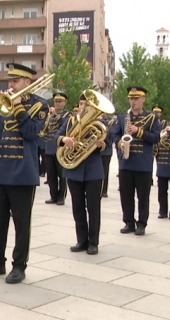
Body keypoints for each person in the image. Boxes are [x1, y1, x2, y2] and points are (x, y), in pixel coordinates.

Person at [0, 63, 48, 284]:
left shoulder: (40, 106)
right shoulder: (1, 104)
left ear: (27, 82)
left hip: (23, 173)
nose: (10, 85)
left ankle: (19, 265)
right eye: (10, 81)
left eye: (15, 81)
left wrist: (18, 107)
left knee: (21, 222)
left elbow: (30, 132)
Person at [55, 93, 105, 255]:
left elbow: (108, 144)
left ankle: (93, 242)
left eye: (87, 105)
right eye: (82, 104)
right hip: (74, 169)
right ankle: (81, 240)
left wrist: (101, 144)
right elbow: (57, 136)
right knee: (77, 207)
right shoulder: (70, 121)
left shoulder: (98, 124)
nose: (84, 107)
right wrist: (64, 140)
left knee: (93, 207)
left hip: (93, 170)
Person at [113, 86, 161, 236]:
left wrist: (139, 131)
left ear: (143, 99)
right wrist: (119, 142)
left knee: (143, 196)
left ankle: (141, 223)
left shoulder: (152, 117)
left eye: (135, 98)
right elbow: (115, 135)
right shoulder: (122, 117)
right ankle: (129, 222)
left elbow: (156, 137)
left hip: (143, 164)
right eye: (131, 98)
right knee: (126, 194)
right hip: (126, 162)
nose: (132, 101)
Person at [43, 92, 72, 205]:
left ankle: (61, 197)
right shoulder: (49, 115)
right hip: (49, 146)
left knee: (62, 174)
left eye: (60, 101)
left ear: (64, 103)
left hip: (61, 148)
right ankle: (53, 195)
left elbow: (66, 127)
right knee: (51, 174)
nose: (57, 103)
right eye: (56, 101)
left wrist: (55, 115)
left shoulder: (68, 115)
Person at [156, 113, 170, 220]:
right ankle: (162, 211)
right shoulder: (163, 133)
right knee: (161, 191)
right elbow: (158, 146)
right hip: (163, 165)